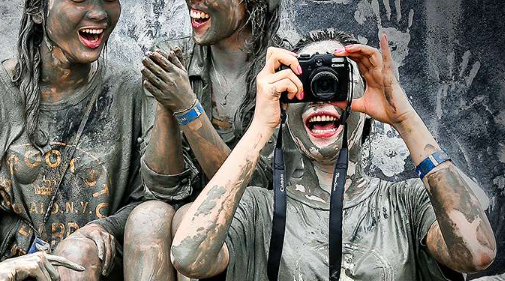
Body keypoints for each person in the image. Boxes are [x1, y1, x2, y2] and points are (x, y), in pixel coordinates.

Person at [170, 29, 497, 280]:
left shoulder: (408, 202)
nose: (320, 95)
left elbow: (477, 252)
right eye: (305, 83)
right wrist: (262, 124)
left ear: (364, 102)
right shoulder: (258, 210)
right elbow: (188, 257)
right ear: (286, 104)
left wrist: (405, 118)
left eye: (336, 82)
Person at [123, 0, 300, 280]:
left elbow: (253, 189)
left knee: (189, 222)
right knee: (148, 218)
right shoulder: (175, 60)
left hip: (251, 226)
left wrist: (187, 108)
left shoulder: (283, 70)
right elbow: (162, 190)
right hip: (180, 219)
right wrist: (166, 107)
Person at [0, 0, 144, 280]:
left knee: (78, 255)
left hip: (93, 268)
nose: (99, 13)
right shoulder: (3, 94)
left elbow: (156, 200)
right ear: (39, 10)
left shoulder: (129, 91)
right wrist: (19, 249)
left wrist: (104, 228)